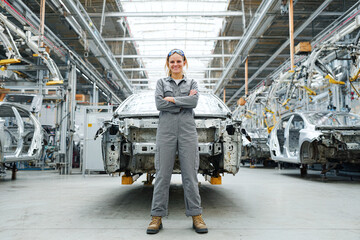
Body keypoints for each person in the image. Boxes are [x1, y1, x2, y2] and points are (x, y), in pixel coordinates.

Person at [147, 49, 208, 234]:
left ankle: (196, 215)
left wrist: (172, 99)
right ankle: (156, 217)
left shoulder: (192, 82)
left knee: (190, 175)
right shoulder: (161, 82)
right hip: (166, 132)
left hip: (187, 131)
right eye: (172, 62)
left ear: (184, 62)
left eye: (178, 62)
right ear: (168, 64)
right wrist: (184, 101)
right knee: (162, 175)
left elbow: (194, 102)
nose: (175, 65)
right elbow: (159, 104)